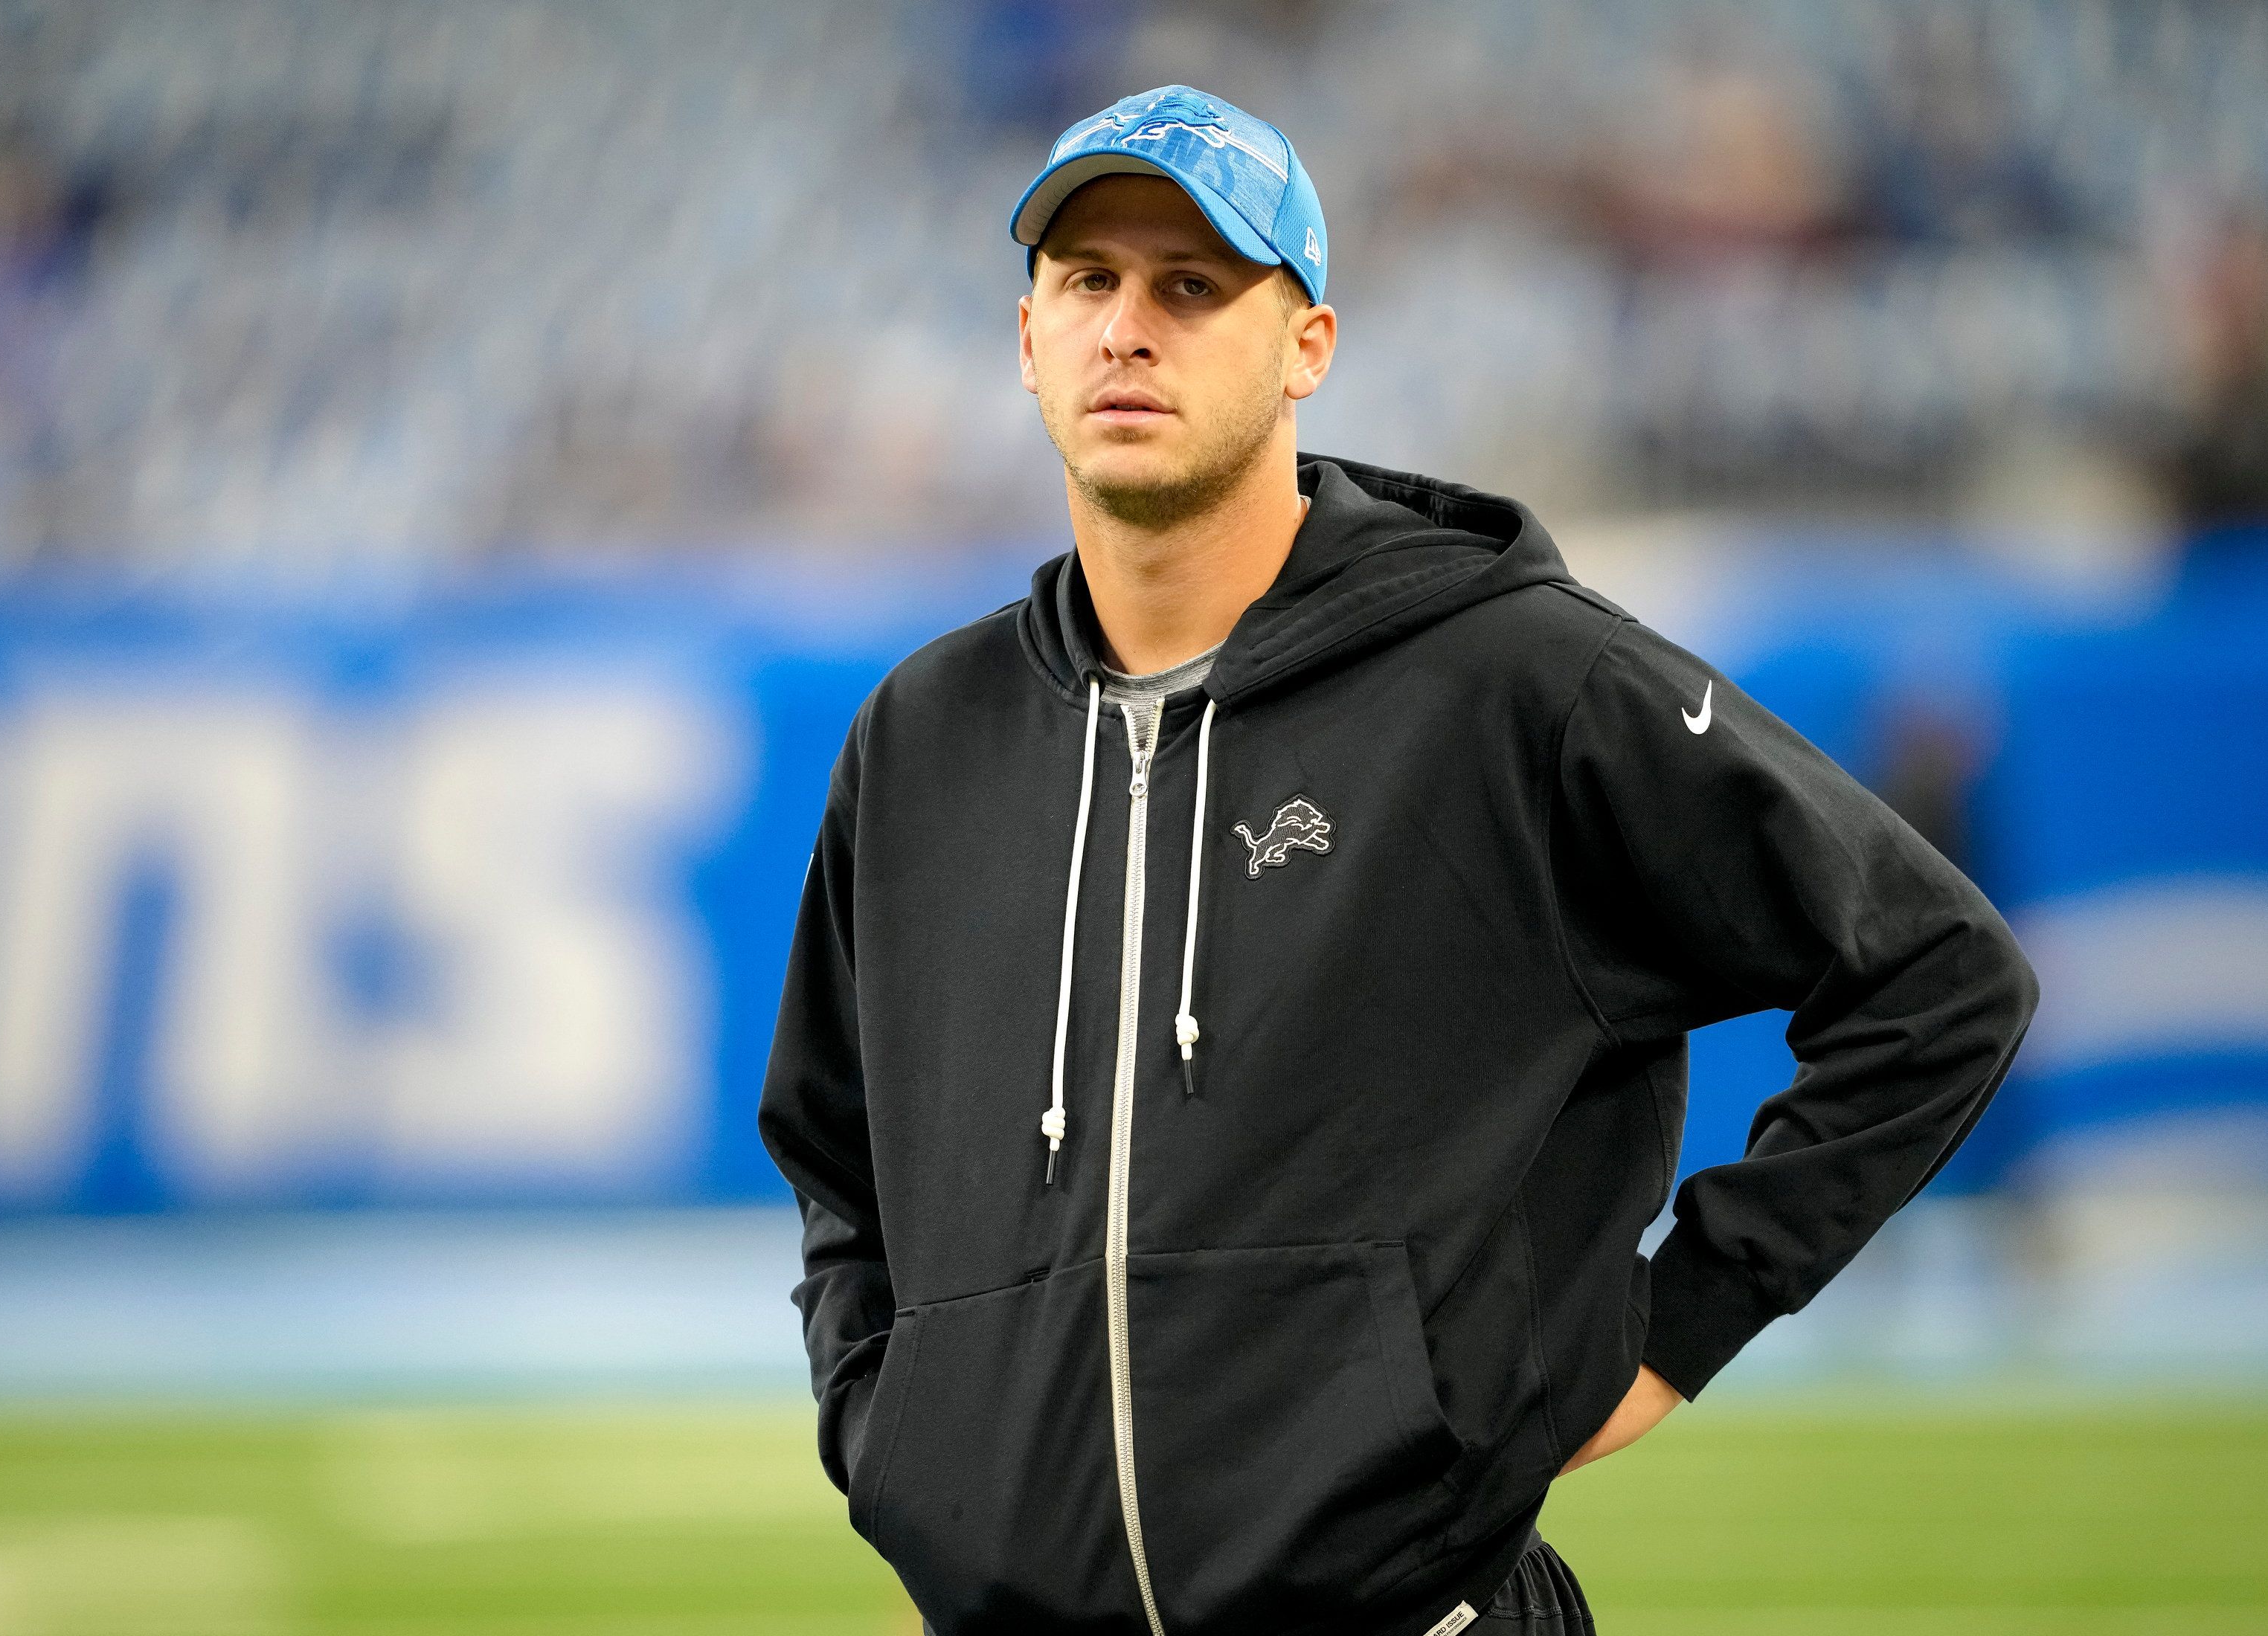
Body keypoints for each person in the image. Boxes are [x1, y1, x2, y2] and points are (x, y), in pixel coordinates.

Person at [759, 85, 2038, 1636]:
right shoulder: (923, 737)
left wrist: (1678, 1321)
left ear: (1309, 345)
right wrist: (885, 1434)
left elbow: (1937, 970)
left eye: (1192, 284)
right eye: (1085, 280)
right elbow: (839, 1150)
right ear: (1027, 338)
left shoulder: (1513, 679)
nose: (1126, 327)